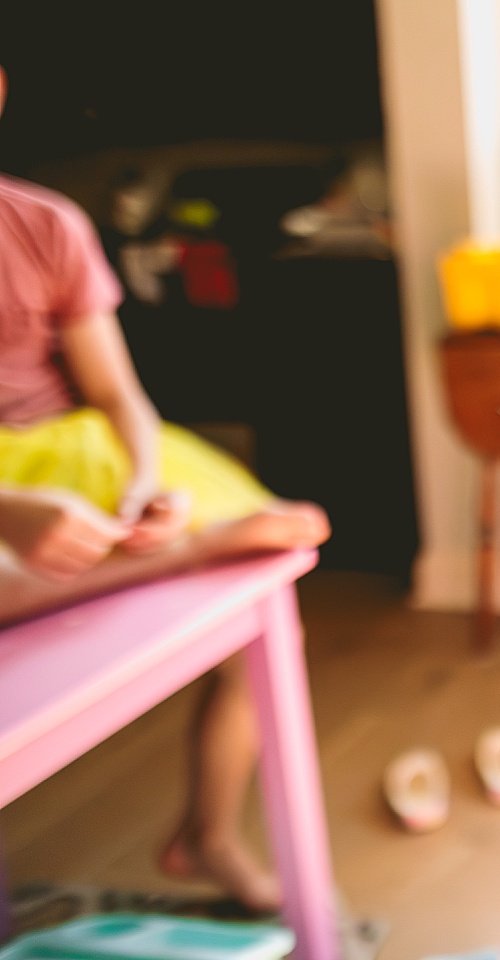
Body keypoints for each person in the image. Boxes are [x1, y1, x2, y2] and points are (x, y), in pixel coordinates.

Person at [0, 65, 329, 911]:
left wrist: (140, 482)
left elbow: (118, 398)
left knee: (268, 559)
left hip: (69, 449)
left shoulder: (46, 224)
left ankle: (209, 832)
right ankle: (191, 550)